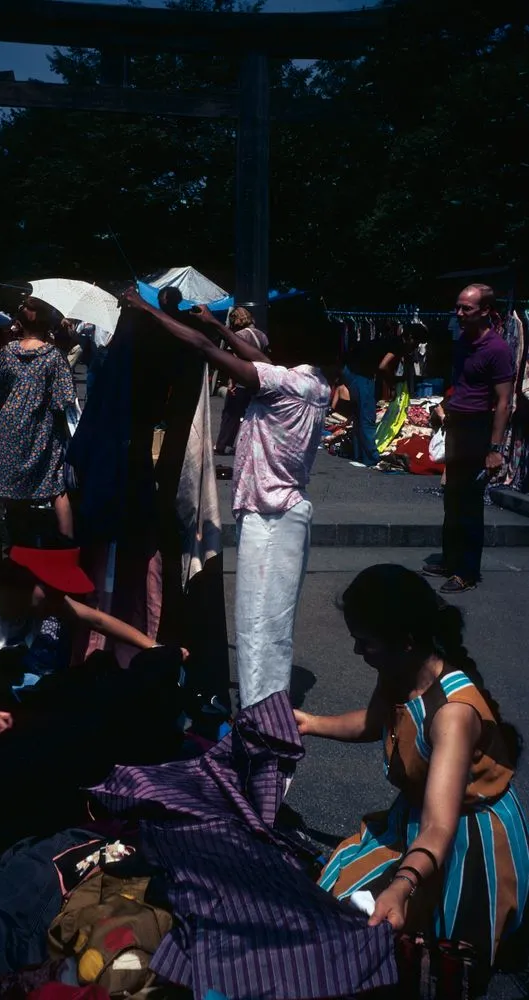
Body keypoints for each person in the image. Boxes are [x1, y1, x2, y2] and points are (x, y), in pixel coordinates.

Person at [295, 564, 528, 979]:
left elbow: (439, 828)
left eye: (363, 643)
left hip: (465, 837)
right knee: (341, 900)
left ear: (404, 641)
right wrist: (311, 723)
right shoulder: (398, 671)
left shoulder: (452, 714)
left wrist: (403, 885)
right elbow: (373, 722)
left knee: (399, 942)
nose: (355, 653)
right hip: (425, 817)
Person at [121, 287, 334, 709]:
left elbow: (206, 350)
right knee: (270, 619)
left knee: (259, 624)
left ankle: (261, 713)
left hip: (271, 518)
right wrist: (217, 324)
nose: (268, 341)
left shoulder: (284, 384)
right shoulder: (314, 384)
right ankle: (266, 706)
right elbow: (258, 362)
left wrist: (146, 309)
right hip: (284, 514)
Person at [0, 546, 188, 735]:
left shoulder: (40, 602)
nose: (57, 600)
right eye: (52, 590)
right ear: (23, 581)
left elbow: (97, 620)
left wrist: (156, 649)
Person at [423, 285, 514, 594]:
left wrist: (494, 449)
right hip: (457, 424)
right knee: (452, 498)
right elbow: (461, 384)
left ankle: (467, 572)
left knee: (469, 503)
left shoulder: (498, 349)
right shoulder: (462, 340)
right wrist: (444, 406)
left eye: (466, 309)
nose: (458, 314)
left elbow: (504, 402)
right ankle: (451, 560)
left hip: (478, 428)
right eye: (458, 307)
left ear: (485, 310)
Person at [0, 297, 77, 540]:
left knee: (13, 487)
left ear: (19, 323)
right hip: (42, 426)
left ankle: (16, 546)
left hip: (10, 425)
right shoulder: (54, 356)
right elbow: (63, 399)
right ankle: (67, 548)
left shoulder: (7, 352)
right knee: (56, 485)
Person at [343, 327, 415, 467]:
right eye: (416, 342)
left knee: (359, 416)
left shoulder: (388, 339)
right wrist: (392, 382)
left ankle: (359, 455)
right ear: (411, 337)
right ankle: (371, 458)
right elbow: (383, 366)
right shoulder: (398, 344)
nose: (415, 346)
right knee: (367, 417)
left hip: (350, 370)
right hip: (361, 373)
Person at [213, 306, 270, 455]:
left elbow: (235, 361)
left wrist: (231, 381)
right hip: (258, 379)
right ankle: (253, 445)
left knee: (230, 414)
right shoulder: (262, 336)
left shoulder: (239, 336)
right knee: (253, 414)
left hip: (241, 379)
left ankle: (223, 444)